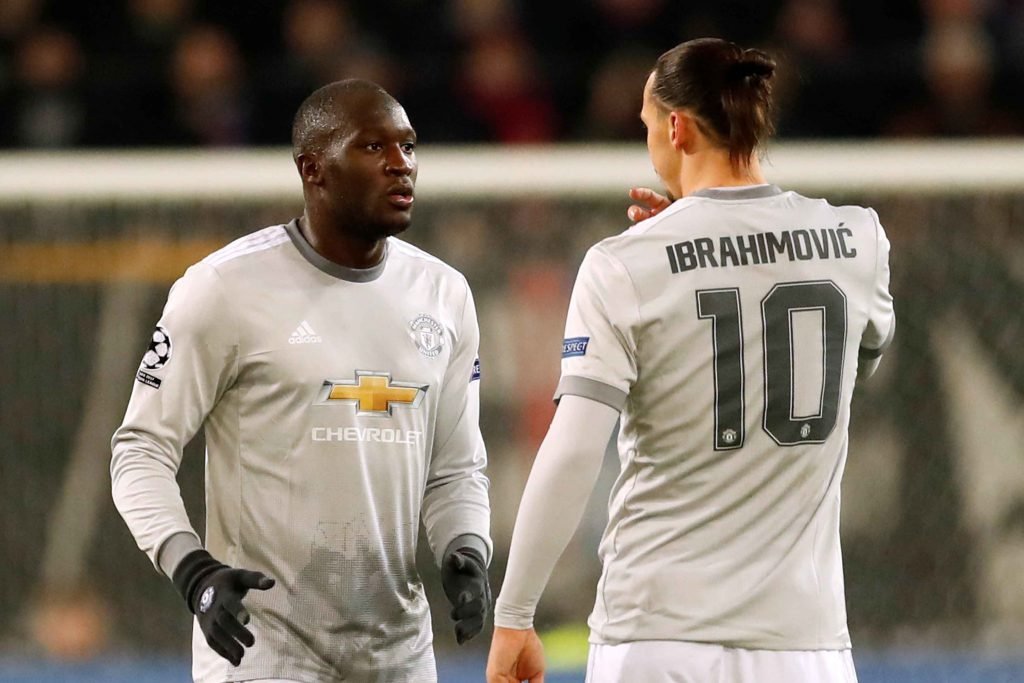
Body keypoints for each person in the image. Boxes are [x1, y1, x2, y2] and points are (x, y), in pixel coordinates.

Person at [486, 38, 894, 683]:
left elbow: (573, 450)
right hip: (804, 644)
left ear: (676, 128)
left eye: (647, 125)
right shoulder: (858, 240)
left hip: (657, 635)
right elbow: (846, 366)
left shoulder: (625, 264)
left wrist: (514, 613)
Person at [110, 78, 492, 683]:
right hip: (263, 655)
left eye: (409, 146)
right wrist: (193, 570)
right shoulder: (223, 290)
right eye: (374, 147)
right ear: (313, 169)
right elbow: (139, 450)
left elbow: (455, 469)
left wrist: (465, 547)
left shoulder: (444, 294)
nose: (401, 164)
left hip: (400, 656)